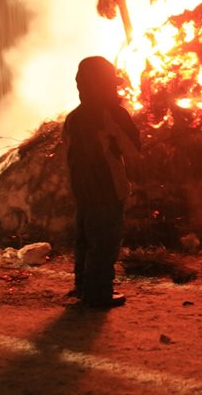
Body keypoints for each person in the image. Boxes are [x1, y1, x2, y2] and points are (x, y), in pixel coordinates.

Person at [62, 56, 140, 309]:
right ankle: (99, 293)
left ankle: (83, 286)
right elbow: (133, 150)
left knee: (85, 238)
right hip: (107, 187)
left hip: (82, 187)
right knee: (105, 241)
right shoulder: (113, 114)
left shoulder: (74, 117)